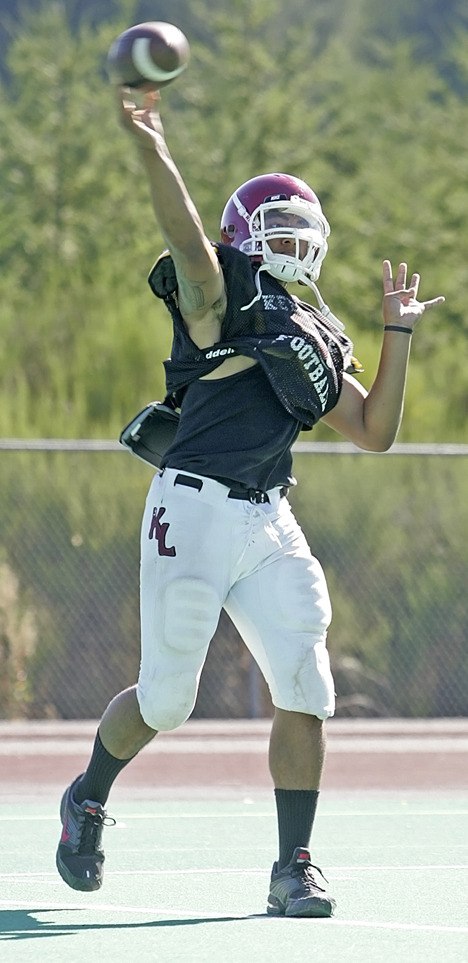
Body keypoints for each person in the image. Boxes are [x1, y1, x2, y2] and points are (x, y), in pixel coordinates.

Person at [55, 88, 445, 918]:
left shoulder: (310, 329)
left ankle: (292, 865)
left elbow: (375, 431)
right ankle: (86, 796)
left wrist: (397, 335)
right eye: (277, 224)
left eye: (302, 226)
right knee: (166, 700)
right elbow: (185, 237)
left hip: (268, 517)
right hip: (192, 508)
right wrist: (152, 147)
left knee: (306, 681)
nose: (292, 238)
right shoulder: (221, 295)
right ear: (242, 236)